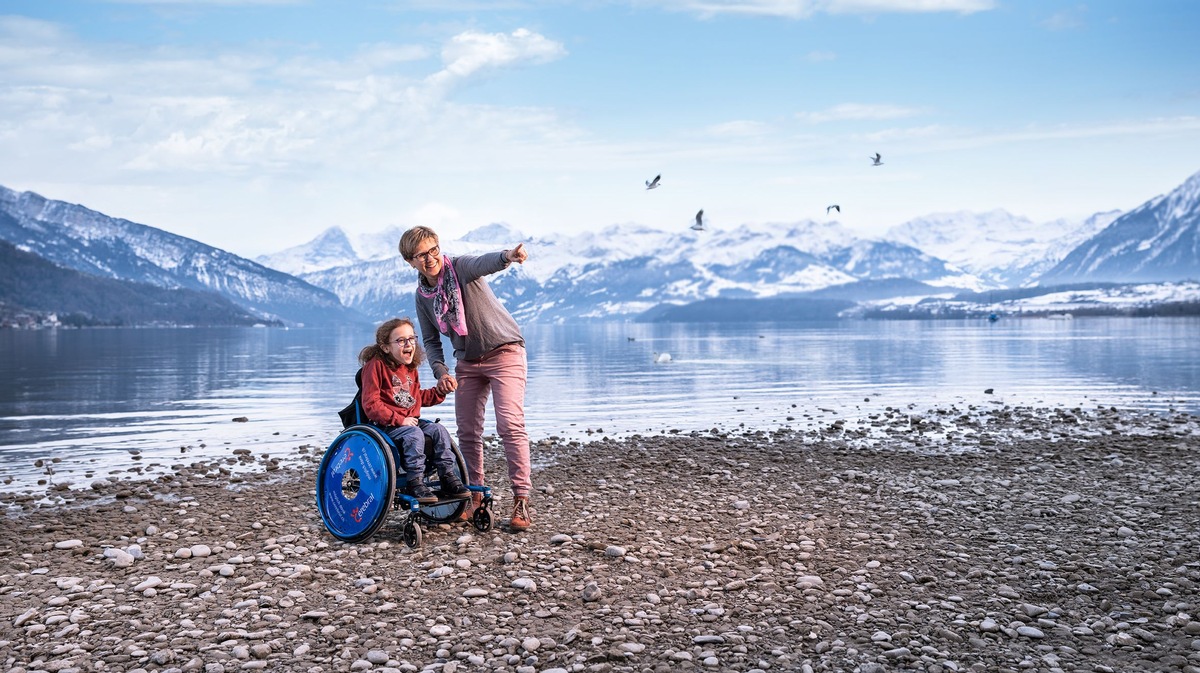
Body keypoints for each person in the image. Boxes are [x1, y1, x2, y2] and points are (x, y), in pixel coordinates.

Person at [399, 226, 533, 531]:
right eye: (422, 254)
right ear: (411, 262)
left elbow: (485, 262)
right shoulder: (422, 296)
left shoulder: (459, 268)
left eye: (433, 250)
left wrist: (507, 257)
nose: (430, 257)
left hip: (505, 352)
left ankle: (521, 499)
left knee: (510, 425)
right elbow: (431, 342)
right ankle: (474, 497)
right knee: (468, 432)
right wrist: (441, 372)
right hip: (467, 363)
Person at [358, 317, 471, 504]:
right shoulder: (375, 366)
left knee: (438, 430)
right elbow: (371, 405)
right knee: (414, 434)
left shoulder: (410, 369)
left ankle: (447, 476)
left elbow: (415, 398)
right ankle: (415, 481)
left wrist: (439, 392)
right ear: (386, 347)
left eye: (411, 339)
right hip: (386, 426)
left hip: (409, 424)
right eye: (401, 340)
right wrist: (399, 419)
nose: (408, 344)